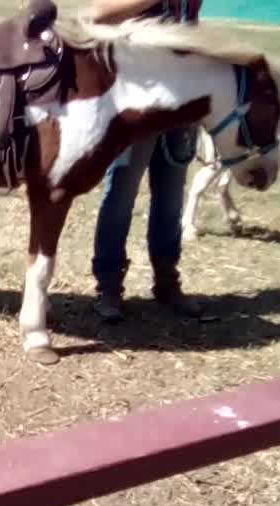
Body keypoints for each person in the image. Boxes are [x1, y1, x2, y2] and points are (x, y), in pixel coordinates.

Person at [90, 0, 205, 322]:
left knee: (171, 196)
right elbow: (99, 11)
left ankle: (167, 281)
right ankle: (109, 286)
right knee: (122, 193)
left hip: (181, 98)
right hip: (136, 100)